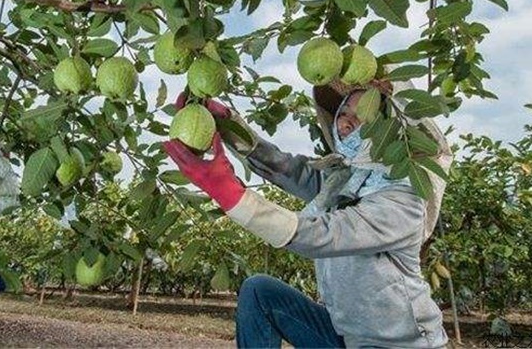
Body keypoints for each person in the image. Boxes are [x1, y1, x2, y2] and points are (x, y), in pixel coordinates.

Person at [163, 79, 452, 348]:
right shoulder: (344, 180)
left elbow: (325, 234)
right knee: (259, 292)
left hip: (402, 344)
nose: (348, 121)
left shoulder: (404, 201)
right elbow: (287, 168)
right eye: (345, 111)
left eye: (364, 116)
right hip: (346, 336)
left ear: (390, 130)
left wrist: (230, 194)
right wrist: (229, 127)